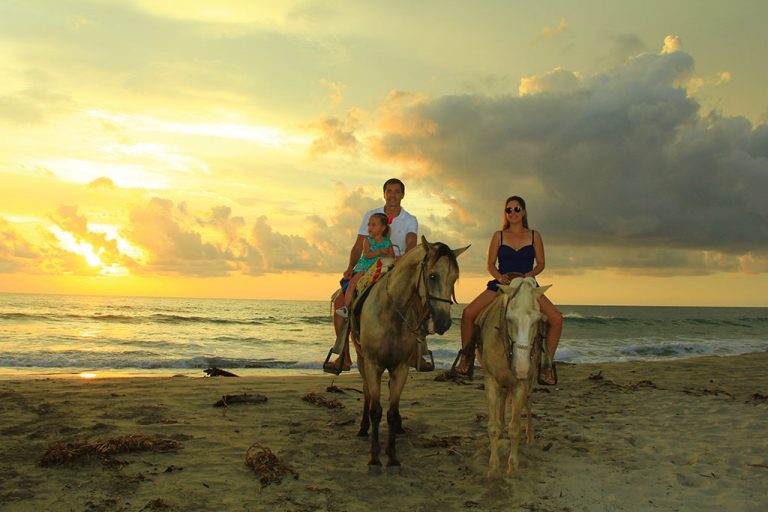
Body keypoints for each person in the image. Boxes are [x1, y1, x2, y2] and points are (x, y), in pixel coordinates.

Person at [454, 195, 563, 384]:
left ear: (524, 212)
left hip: (527, 284)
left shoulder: (534, 235)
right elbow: (490, 264)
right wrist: (498, 277)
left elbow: (542, 263)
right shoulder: (499, 235)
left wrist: (530, 275)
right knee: (468, 313)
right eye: (509, 210)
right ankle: (466, 357)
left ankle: (546, 365)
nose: (513, 213)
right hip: (503, 283)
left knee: (556, 318)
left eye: (517, 209)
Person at [324, 178, 419, 373]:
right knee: (340, 301)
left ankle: (418, 351)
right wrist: (351, 266)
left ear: (403, 195)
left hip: (397, 266)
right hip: (369, 266)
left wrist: (404, 257)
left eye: (397, 191)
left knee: (421, 298)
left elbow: (412, 242)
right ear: (384, 193)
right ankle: (344, 356)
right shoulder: (371, 215)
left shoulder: (410, 219)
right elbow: (359, 244)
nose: (393, 195)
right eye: (389, 191)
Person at [335, 212, 394, 318]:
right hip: (366, 266)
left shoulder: (387, 241)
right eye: (369, 225)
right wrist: (380, 252)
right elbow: (367, 255)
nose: (370, 227)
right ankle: (346, 307)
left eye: (373, 225)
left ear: (383, 228)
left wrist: (388, 253)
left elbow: (392, 256)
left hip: (379, 267)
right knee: (353, 282)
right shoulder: (367, 240)